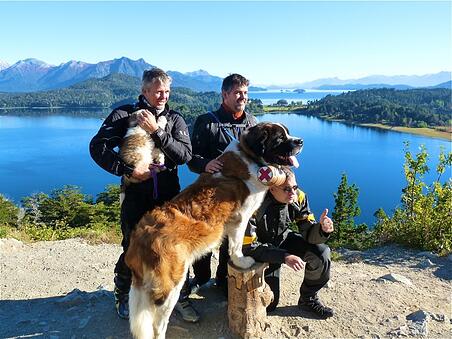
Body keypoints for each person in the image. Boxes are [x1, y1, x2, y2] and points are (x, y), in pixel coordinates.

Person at [89, 68, 199, 322]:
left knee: (174, 246)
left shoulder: (174, 119)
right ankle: (123, 292)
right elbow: (97, 146)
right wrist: (127, 169)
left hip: (169, 196)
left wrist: (156, 131)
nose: (163, 96)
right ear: (145, 91)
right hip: (136, 194)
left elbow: (184, 156)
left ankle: (179, 296)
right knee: (133, 245)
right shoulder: (124, 114)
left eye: (167, 91)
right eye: (158, 91)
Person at [187, 73, 258, 293]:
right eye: (237, 92)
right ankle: (200, 278)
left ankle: (224, 280)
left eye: (245, 93)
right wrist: (206, 164)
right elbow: (191, 158)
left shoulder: (252, 123)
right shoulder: (206, 122)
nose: (242, 97)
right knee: (205, 234)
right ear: (224, 94)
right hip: (211, 194)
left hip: (242, 195)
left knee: (234, 236)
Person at [243, 166, 335, 319]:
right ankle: (224, 283)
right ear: (271, 189)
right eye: (286, 189)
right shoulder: (253, 204)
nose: (293, 193)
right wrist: (284, 256)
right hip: (259, 249)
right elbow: (248, 247)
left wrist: (322, 230)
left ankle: (308, 299)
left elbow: (308, 231)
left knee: (321, 253)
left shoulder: (298, 197)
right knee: (270, 304)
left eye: (295, 187)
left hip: (282, 239)